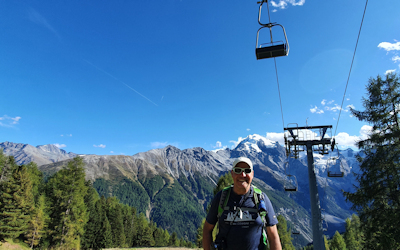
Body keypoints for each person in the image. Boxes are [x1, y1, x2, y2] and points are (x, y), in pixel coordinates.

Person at [203, 157, 282, 250]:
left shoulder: (261, 199)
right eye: (238, 170)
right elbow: (207, 230)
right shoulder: (221, 197)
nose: (242, 174)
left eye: (247, 171)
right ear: (232, 173)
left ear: (252, 174)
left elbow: (273, 237)